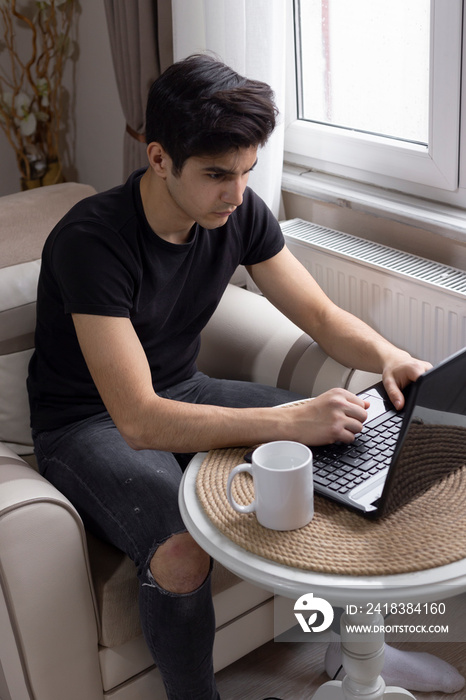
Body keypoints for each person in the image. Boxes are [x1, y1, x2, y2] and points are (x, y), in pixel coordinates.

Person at [27, 54, 463, 699]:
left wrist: (390, 355)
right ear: (158, 159)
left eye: (246, 172)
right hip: (86, 421)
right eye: (216, 175)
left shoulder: (239, 214)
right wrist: (291, 420)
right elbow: (140, 420)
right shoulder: (91, 242)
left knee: (349, 439)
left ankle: (356, 654)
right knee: (180, 549)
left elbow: (317, 312)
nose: (236, 193)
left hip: (184, 386)